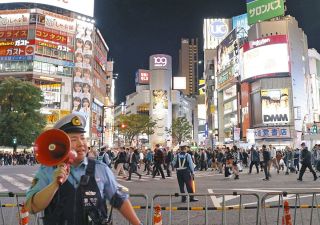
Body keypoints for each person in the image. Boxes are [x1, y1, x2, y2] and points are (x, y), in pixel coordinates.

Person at [25, 112, 142, 225]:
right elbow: (31, 207)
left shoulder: (101, 169)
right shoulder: (48, 170)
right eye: (73, 140)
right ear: (61, 145)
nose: (81, 143)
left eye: (83, 138)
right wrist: (54, 184)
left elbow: (119, 200)